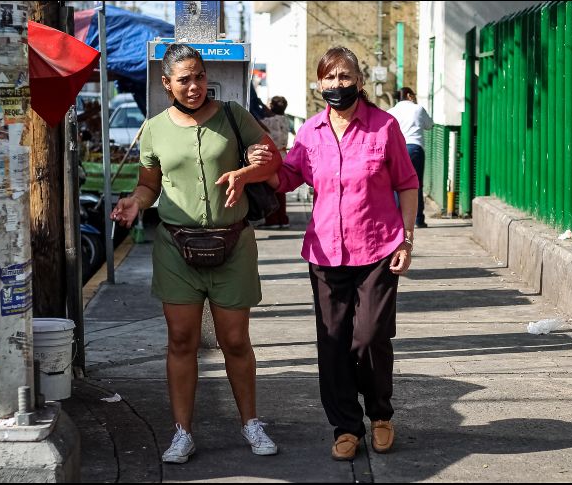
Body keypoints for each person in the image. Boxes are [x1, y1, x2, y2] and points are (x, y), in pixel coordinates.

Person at [110, 44, 282, 464]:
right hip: (176, 248)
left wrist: (248, 169)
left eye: (199, 77)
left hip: (233, 245)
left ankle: (251, 424)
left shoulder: (233, 116)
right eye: (183, 79)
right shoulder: (153, 129)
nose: (193, 86)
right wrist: (136, 201)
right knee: (182, 340)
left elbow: (271, 164)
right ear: (166, 84)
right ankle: (182, 432)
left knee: (235, 340)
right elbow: (150, 184)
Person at [250, 46, 419, 460]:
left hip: (378, 248)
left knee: (368, 337)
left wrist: (408, 239)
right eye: (329, 78)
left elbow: (407, 183)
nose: (337, 85)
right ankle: (346, 426)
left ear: (359, 82)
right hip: (325, 254)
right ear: (319, 84)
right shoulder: (310, 132)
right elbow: (287, 178)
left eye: (345, 77)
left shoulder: (385, 127)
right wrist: (263, 163)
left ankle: (380, 415)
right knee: (332, 344)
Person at [387, 87, 433, 228]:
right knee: (416, 184)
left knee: (395, 184)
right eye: (414, 95)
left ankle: (396, 218)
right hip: (415, 149)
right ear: (409, 95)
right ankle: (418, 219)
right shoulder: (418, 109)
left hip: (397, 150)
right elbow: (429, 125)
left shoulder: (391, 112)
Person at [258, 96, 291, 229]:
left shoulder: (268, 121)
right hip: (283, 156)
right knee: (280, 189)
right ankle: (283, 218)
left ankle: (272, 219)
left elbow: (256, 122)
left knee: (270, 189)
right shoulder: (286, 119)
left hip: (271, 157)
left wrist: (260, 105)